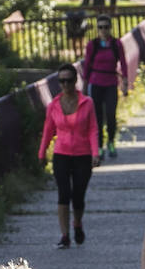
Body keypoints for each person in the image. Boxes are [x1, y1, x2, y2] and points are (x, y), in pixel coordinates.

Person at [38, 63, 100, 249]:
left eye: (68, 80)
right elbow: (48, 130)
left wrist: (95, 153)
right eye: (61, 81)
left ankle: (77, 224)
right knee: (63, 194)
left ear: (75, 81)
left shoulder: (87, 103)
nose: (65, 84)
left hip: (82, 154)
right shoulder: (54, 105)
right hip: (61, 154)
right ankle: (64, 235)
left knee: (78, 195)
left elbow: (93, 129)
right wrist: (42, 153)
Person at [82, 14, 128, 159]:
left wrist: (125, 82)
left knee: (110, 114)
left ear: (110, 28)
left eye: (106, 27)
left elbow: (124, 63)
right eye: (100, 27)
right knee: (97, 117)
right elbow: (87, 65)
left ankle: (111, 142)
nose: (103, 30)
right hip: (95, 82)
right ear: (97, 29)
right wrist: (84, 85)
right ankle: (99, 146)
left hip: (111, 82)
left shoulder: (116, 44)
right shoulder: (92, 45)